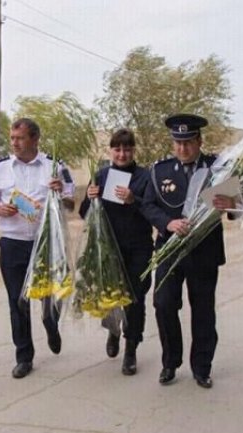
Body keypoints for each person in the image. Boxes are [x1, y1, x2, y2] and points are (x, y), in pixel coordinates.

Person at [141, 113, 235, 389]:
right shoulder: (159, 170)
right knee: (163, 304)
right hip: (170, 250)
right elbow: (147, 205)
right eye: (178, 143)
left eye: (189, 142)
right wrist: (168, 223)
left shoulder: (218, 168)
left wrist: (229, 202)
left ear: (199, 141)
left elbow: (234, 209)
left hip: (204, 250)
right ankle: (171, 361)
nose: (183, 148)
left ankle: (202, 367)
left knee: (203, 310)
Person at [0, 118, 75, 379]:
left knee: (51, 293)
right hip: (12, 243)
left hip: (46, 242)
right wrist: (0, 209)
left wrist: (60, 193)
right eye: (12, 138)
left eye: (19, 138)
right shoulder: (0, 168)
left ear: (35, 139)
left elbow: (71, 204)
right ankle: (24, 356)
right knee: (17, 301)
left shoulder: (54, 165)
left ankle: (50, 322)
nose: (14, 142)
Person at [78, 128, 154, 376]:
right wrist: (90, 198)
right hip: (108, 248)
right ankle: (113, 330)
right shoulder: (101, 175)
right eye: (117, 149)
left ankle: (131, 347)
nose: (122, 153)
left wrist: (135, 200)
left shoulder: (145, 177)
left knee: (135, 298)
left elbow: (153, 211)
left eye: (127, 149)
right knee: (110, 293)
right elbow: (84, 213)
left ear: (134, 150)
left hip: (138, 248)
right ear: (111, 150)